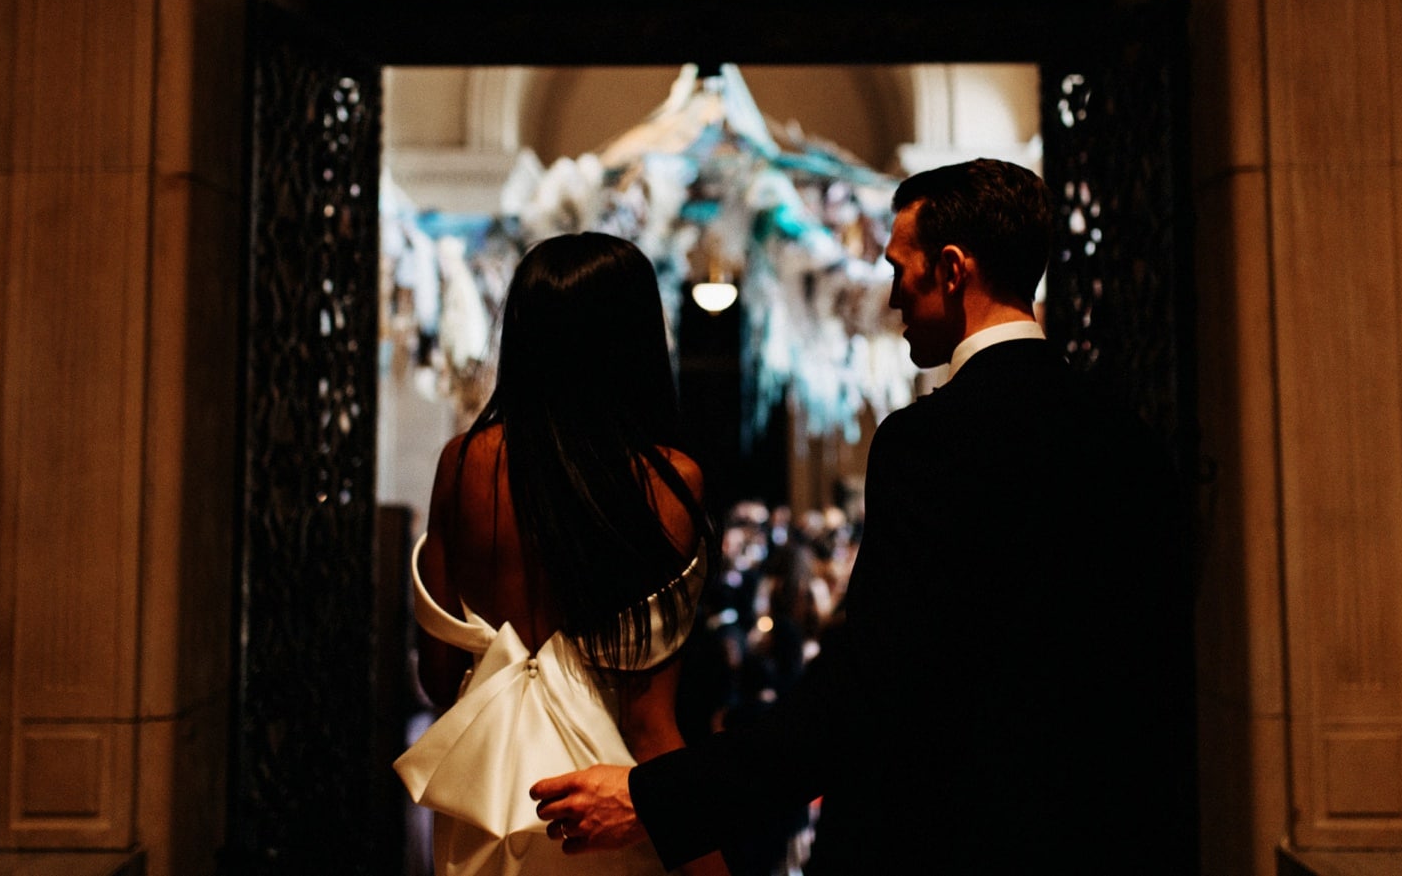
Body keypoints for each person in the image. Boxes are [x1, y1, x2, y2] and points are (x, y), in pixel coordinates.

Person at [531, 159, 1184, 873]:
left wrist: (653, 796)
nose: (893, 295)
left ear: (953, 269)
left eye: (900, 268)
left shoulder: (930, 442)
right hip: (1110, 836)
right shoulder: (1130, 438)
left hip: (951, 840)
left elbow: (868, 691)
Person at [396, 232, 730, 876]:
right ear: (634, 339)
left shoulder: (463, 463)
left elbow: (439, 679)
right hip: (604, 808)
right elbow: (649, 721)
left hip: (484, 804)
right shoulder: (666, 483)